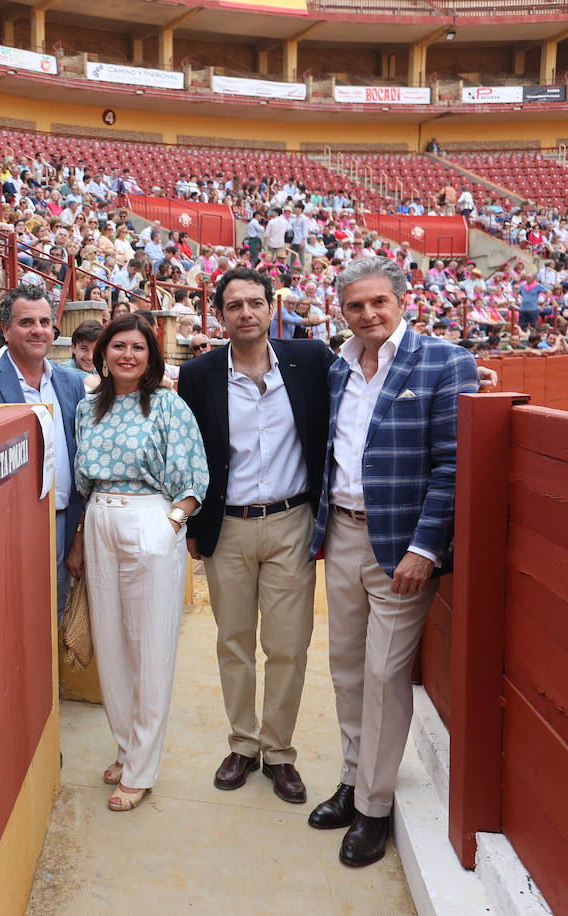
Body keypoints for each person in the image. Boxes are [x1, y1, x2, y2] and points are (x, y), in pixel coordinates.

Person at [307, 256, 479, 867]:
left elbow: (453, 463)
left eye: (378, 302)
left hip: (404, 546)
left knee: (383, 673)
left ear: (401, 301)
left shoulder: (444, 360)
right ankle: (353, 778)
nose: (368, 314)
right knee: (348, 667)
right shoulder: (339, 366)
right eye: (355, 305)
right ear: (342, 311)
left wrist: (426, 547)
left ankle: (374, 809)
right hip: (346, 532)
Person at [177, 267, 336, 807]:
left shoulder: (311, 359)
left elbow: (365, 379)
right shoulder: (199, 374)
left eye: (254, 303)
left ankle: (279, 751)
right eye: (234, 305)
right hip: (230, 525)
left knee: (288, 644)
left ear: (272, 309)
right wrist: (196, 529)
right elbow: (190, 453)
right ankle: (243, 744)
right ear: (219, 315)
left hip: (293, 520)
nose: (245, 312)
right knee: (234, 641)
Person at [66, 313, 208, 812]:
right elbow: (85, 481)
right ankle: (127, 748)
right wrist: (82, 538)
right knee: (111, 643)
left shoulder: (168, 404)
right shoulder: (89, 409)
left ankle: (142, 769)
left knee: (149, 648)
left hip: (151, 517)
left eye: (138, 347)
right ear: (101, 353)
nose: (128, 355)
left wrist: (169, 525)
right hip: (101, 516)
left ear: (151, 356)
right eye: (118, 346)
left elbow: (194, 476)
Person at [0, 285, 85, 618]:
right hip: (6, 531)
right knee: (10, 617)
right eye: (26, 322)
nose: (38, 330)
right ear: (6, 330)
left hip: (62, 521)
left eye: (44, 321)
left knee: (54, 613)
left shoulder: (71, 383)